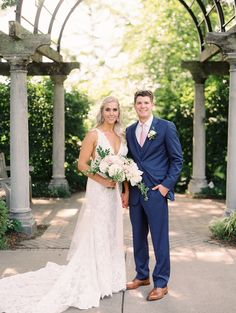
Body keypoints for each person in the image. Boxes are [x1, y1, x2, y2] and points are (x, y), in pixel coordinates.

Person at [0, 96, 127, 313]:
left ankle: (110, 278)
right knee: (97, 231)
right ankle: (94, 279)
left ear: (119, 112)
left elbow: (125, 166)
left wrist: (124, 190)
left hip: (114, 192)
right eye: (108, 109)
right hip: (98, 189)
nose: (111, 113)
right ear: (102, 111)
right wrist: (103, 179)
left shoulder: (121, 136)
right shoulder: (93, 134)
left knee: (111, 231)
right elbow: (81, 164)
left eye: (115, 109)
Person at [125, 90, 183, 301]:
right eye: (139, 102)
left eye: (146, 102)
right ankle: (142, 276)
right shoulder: (130, 131)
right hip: (135, 192)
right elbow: (128, 161)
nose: (142, 106)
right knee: (138, 237)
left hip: (156, 191)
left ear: (152, 104)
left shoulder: (165, 127)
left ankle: (161, 282)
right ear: (135, 105)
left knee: (159, 239)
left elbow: (177, 160)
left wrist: (166, 186)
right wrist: (126, 189)